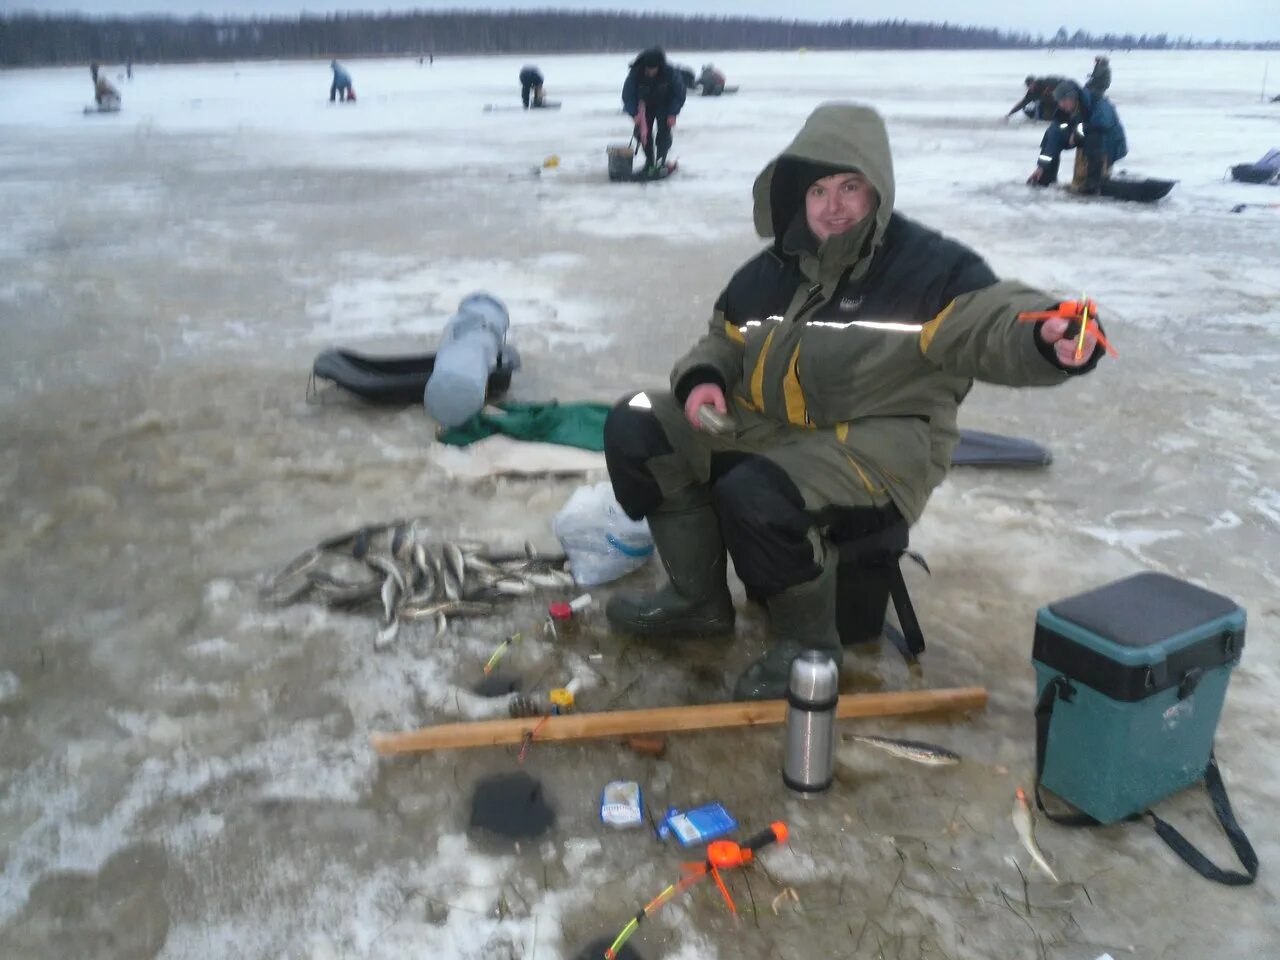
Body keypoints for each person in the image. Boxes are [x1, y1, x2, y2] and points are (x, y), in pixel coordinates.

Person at [602, 102, 1106, 701]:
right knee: (636, 420)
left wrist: (1043, 334)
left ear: (877, 191)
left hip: (879, 447)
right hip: (773, 431)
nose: (832, 205)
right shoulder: (770, 270)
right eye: (817, 189)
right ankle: (697, 602)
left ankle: (809, 650)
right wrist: (706, 377)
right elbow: (724, 338)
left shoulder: (927, 269)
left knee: (757, 492)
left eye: (849, 187)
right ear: (797, 195)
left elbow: (989, 319)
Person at [1028, 79, 1127, 194]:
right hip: (1084, 138)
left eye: (1064, 101)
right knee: (1051, 134)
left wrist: (1077, 133)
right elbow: (1054, 136)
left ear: (1073, 97)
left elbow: (1103, 124)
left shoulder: (1098, 103)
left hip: (1109, 145)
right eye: (1059, 101)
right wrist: (1041, 167)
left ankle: (1093, 182)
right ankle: (1046, 177)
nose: (1061, 105)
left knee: (1093, 135)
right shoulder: (1064, 110)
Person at [622, 47, 686, 173]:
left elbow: (679, 94)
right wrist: (634, 113)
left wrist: (673, 113)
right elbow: (628, 96)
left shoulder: (670, 73)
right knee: (642, 133)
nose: (650, 72)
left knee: (664, 133)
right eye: (648, 69)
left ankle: (660, 161)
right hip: (644, 106)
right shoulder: (636, 72)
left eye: (653, 69)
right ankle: (650, 161)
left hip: (665, 105)